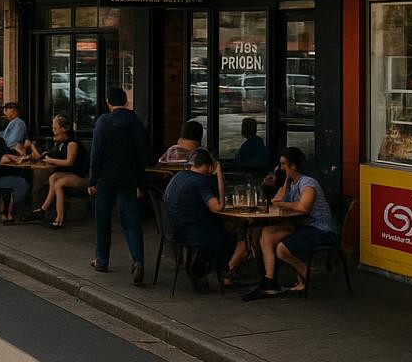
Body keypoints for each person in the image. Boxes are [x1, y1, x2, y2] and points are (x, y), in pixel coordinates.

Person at [244, 146, 338, 300]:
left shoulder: (307, 183)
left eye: (283, 165)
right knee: (267, 233)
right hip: (303, 226)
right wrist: (283, 180)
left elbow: (303, 207)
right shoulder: (292, 184)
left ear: (293, 166)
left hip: (320, 230)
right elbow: (275, 201)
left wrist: (284, 204)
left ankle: (305, 272)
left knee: (281, 249)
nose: (280, 168)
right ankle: (269, 280)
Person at [87, 86, 151, 285]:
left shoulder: (103, 123)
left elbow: (95, 154)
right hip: (129, 178)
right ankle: (138, 260)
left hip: (106, 178)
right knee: (131, 220)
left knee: (102, 219)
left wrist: (92, 180)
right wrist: (140, 182)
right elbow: (143, 155)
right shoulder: (135, 122)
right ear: (125, 102)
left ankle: (102, 259)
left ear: (108, 102)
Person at [164, 149, 247, 287]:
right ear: (206, 165)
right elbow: (218, 207)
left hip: (173, 229)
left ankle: (207, 269)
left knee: (220, 229)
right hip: (192, 233)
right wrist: (219, 173)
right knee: (228, 235)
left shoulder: (179, 176)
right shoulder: (200, 180)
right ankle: (224, 273)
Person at [32, 114, 89, 228]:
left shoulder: (72, 143)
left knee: (59, 183)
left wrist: (51, 160)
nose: (53, 131)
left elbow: (69, 162)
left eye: (55, 128)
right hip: (74, 173)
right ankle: (43, 209)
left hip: (84, 176)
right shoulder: (63, 142)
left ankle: (59, 219)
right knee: (53, 177)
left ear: (63, 129)